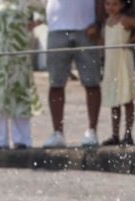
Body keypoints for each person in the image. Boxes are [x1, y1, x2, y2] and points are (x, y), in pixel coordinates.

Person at [0, 0, 42, 150]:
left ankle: (22, 140)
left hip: (18, 53)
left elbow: (44, 11)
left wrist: (34, 23)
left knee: (19, 94)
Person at [43, 0, 104, 148]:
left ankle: (92, 131)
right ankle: (57, 132)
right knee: (56, 83)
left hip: (86, 27)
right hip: (57, 27)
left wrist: (98, 23)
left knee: (92, 82)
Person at [99, 0, 135, 145]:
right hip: (111, 64)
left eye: (114, 4)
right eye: (108, 4)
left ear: (122, 5)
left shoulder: (125, 21)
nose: (111, 8)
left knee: (127, 97)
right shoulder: (107, 22)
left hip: (123, 62)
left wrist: (131, 40)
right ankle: (115, 134)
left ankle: (128, 133)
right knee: (114, 99)